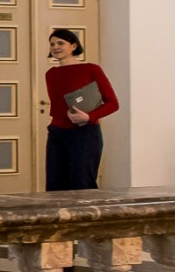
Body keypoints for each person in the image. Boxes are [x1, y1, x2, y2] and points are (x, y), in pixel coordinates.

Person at [44, 28, 119, 191]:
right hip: (57, 133)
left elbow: (113, 103)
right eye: (52, 44)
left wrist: (89, 117)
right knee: (55, 185)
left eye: (60, 43)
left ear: (73, 46)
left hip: (84, 133)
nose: (55, 47)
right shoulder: (51, 74)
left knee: (82, 183)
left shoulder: (91, 69)